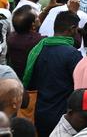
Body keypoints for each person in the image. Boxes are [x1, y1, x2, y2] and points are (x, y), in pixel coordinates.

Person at [27, 9, 83, 137]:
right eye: (77, 29)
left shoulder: (39, 49)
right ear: (72, 29)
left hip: (40, 114)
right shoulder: (73, 54)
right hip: (61, 116)